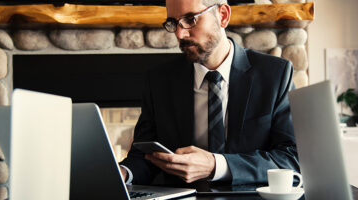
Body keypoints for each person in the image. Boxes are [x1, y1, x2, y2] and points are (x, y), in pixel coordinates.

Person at [119, 0, 299, 187]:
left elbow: (292, 157)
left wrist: (216, 166)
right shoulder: (158, 81)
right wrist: (123, 173)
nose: (180, 34)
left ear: (223, 16)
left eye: (190, 19)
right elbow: (144, 156)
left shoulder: (275, 75)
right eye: (173, 23)